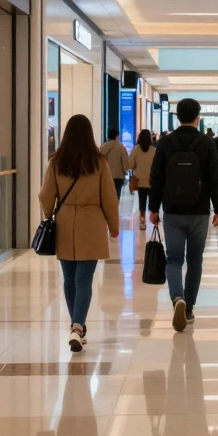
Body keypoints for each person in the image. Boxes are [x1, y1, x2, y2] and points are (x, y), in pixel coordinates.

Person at [38, 114, 120, 353]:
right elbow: (109, 197)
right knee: (84, 279)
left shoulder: (57, 161)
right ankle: (77, 326)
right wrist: (113, 224)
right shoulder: (99, 162)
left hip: (64, 223)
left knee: (69, 279)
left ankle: (77, 325)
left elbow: (45, 195)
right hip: (91, 222)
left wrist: (49, 214)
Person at [149, 98, 218, 333]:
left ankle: (177, 298)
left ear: (177, 117)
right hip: (199, 210)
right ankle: (189, 307)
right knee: (195, 260)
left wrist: (153, 208)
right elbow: (215, 177)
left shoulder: (165, 143)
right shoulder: (206, 143)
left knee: (173, 259)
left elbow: (156, 177)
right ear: (197, 117)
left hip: (172, 210)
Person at [127, 129, 157, 230]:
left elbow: (130, 164)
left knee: (142, 201)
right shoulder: (153, 150)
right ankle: (154, 219)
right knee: (153, 201)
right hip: (151, 181)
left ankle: (142, 220)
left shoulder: (136, 149)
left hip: (140, 181)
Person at [99, 129, 130, 197]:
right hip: (118, 175)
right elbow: (124, 162)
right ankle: (115, 206)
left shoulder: (103, 146)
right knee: (116, 195)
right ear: (117, 136)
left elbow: (100, 160)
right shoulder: (121, 147)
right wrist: (126, 172)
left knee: (107, 195)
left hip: (106, 175)